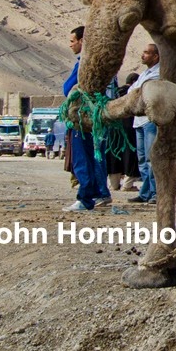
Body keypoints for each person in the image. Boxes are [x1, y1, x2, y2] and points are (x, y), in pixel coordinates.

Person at [61, 26, 112, 212]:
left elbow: (69, 88)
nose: (70, 45)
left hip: (83, 118)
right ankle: (96, 194)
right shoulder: (100, 62)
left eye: (72, 41)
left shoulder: (86, 64)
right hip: (94, 118)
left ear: (82, 41)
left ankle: (85, 198)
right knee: (93, 157)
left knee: (83, 159)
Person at [127, 45, 161, 205]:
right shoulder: (144, 74)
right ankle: (145, 192)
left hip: (150, 120)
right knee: (142, 159)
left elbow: (140, 92)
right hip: (139, 120)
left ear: (156, 56)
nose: (143, 55)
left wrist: (135, 92)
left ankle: (155, 193)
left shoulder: (158, 74)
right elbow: (132, 91)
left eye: (147, 53)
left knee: (150, 158)